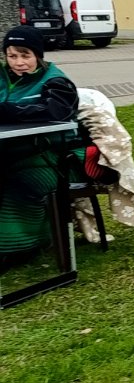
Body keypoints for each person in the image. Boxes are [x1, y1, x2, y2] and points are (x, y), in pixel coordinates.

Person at [0, 26, 80, 267]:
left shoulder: (56, 81)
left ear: (38, 56)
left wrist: (8, 111)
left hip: (54, 157)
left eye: (26, 55)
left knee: (19, 182)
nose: (19, 62)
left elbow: (57, 111)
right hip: (10, 152)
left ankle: (22, 247)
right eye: (12, 56)